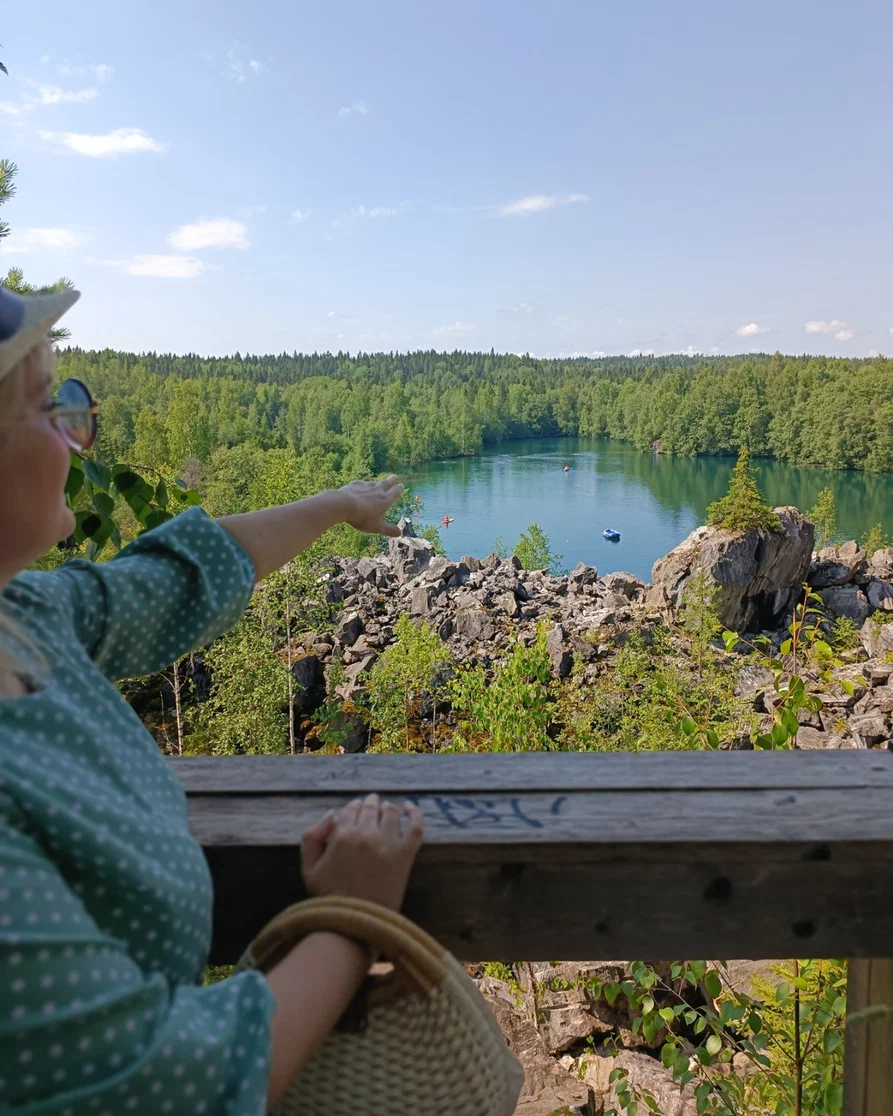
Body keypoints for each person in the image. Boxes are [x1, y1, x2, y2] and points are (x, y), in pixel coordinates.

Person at [0, 285, 425, 1112]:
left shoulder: (26, 619)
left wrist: (336, 506)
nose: (76, 435)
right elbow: (160, 1086)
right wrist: (348, 917)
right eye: (48, 406)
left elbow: (176, 579)